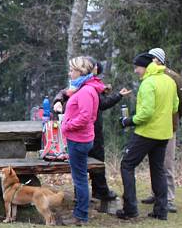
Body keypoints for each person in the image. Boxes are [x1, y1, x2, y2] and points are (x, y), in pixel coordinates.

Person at [53, 60, 131, 201]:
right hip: (83, 129)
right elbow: (63, 92)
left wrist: (118, 96)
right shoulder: (81, 84)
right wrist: (58, 100)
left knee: (94, 162)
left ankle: (97, 192)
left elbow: (101, 104)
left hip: (89, 129)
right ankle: (89, 194)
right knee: (82, 165)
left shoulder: (92, 86)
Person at [116, 53, 179, 221]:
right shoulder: (169, 81)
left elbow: (146, 113)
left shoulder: (148, 83)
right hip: (164, 134)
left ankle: (130, 208)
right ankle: (161, 210)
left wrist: (128, 121)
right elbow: (175, 106)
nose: (136, 70)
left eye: (137, 67)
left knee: (127, 165)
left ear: (145, 67)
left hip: (146, 132)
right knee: (158, 169)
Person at [140, 47, 182, 213]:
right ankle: (156, 193)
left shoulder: (172, 77)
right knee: (155, 162)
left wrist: (173, 118)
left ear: (158, 60)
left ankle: (169, 198)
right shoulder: (150, 76)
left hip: (168, 126)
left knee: (166, 163)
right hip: (152, 126)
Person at [60, 56, 106, 225]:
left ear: (80, 72)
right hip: (79, 138)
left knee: (79, 178)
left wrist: (67, 126)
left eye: (72, 70)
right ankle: (79, 213)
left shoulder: (86, 91)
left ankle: (80, 216)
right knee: (79, 177)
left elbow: (86, 117)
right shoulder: (82, 87)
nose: (69, 73)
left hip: (79, 140)